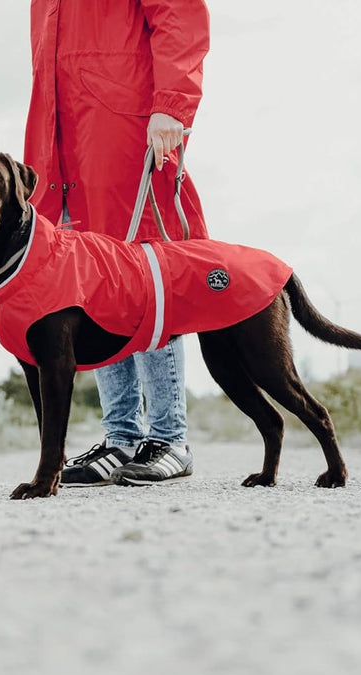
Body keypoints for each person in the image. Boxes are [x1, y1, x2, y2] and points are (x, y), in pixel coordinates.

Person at [23, 0, 211, 487]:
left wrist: (171, 103)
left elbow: (180, 14)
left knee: (147, 275)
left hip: (122, 130)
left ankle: (169, 437)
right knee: (91, 287)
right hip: (64, 144)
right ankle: (122, 436)